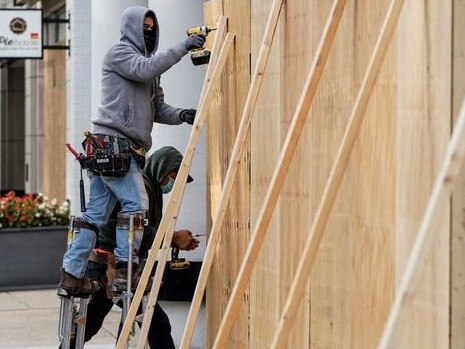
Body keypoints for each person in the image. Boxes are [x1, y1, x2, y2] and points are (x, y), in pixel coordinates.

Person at [59, 6, 204, 296]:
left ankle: (72, 274)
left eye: (152, 27)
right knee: (137, 206)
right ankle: (128, 270)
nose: (149, 32)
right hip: (114, 145)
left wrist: (182, 114)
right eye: (144, 27)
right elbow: (144, 69)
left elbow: (157, 107)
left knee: (95, 215)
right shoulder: (120, 54)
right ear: (131, 28)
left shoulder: (150, 67)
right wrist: (183, 47)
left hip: (120, 149)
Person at [64, 146, 200, 349]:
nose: (173, 182)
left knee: (92, 324)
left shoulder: (149, 187)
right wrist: (173, 238)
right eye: (173, 175)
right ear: (161, 168)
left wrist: (174, 238)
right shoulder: (142, 187)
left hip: (109, 263)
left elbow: (143, 230)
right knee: (155, 323)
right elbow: (138, 231)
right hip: (110, 265)